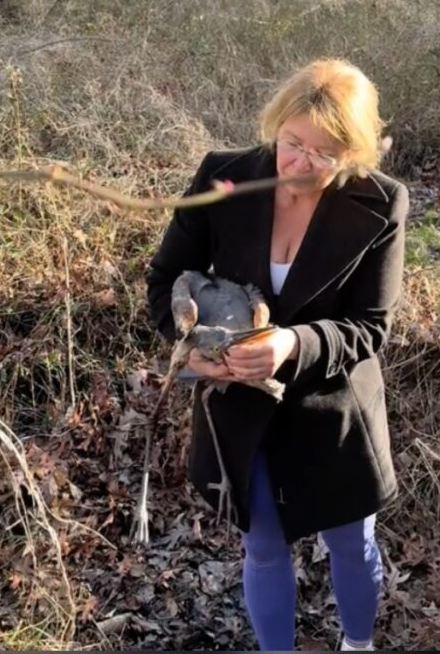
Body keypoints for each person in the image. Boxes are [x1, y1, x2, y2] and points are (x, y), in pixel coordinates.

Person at [146, 58, 408, 651]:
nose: (299, 163)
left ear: (355, 152)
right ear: (276, 127)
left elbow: (370, 326)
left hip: (332, 406)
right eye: (292, 142)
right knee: (262, 544)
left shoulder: (382, 202)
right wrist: (193, 351)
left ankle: (357, 644)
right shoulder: (225, 178)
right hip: (239, 404)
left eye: (324, 154)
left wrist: (291, 343)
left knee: (349, 539)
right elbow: (163, 281)